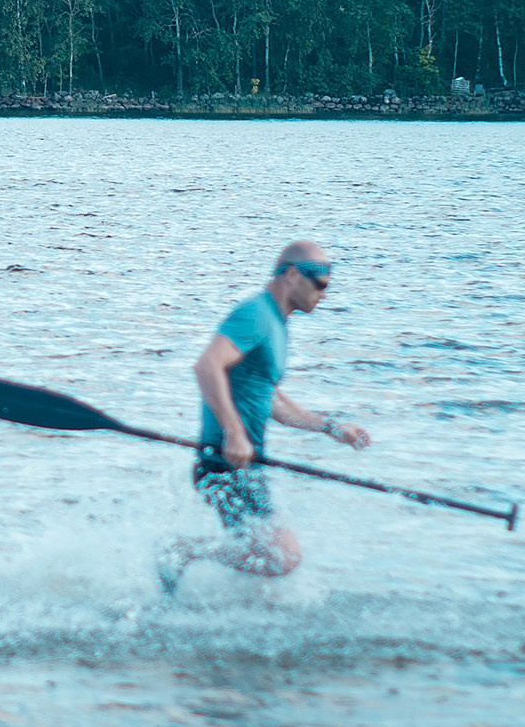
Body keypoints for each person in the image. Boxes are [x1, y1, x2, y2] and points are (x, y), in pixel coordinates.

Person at [156, 240, 369, 594]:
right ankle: (182, 551)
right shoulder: (255, 314)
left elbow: (274, 403)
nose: (325, 292)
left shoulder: (276, 324)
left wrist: (332, 427)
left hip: (245, 462)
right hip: (224, 460)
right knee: (281, 556)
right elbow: (207, 366)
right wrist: (234, 433)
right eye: (320, 282)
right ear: (290, 274)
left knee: (265, 557)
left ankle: (220, 604)